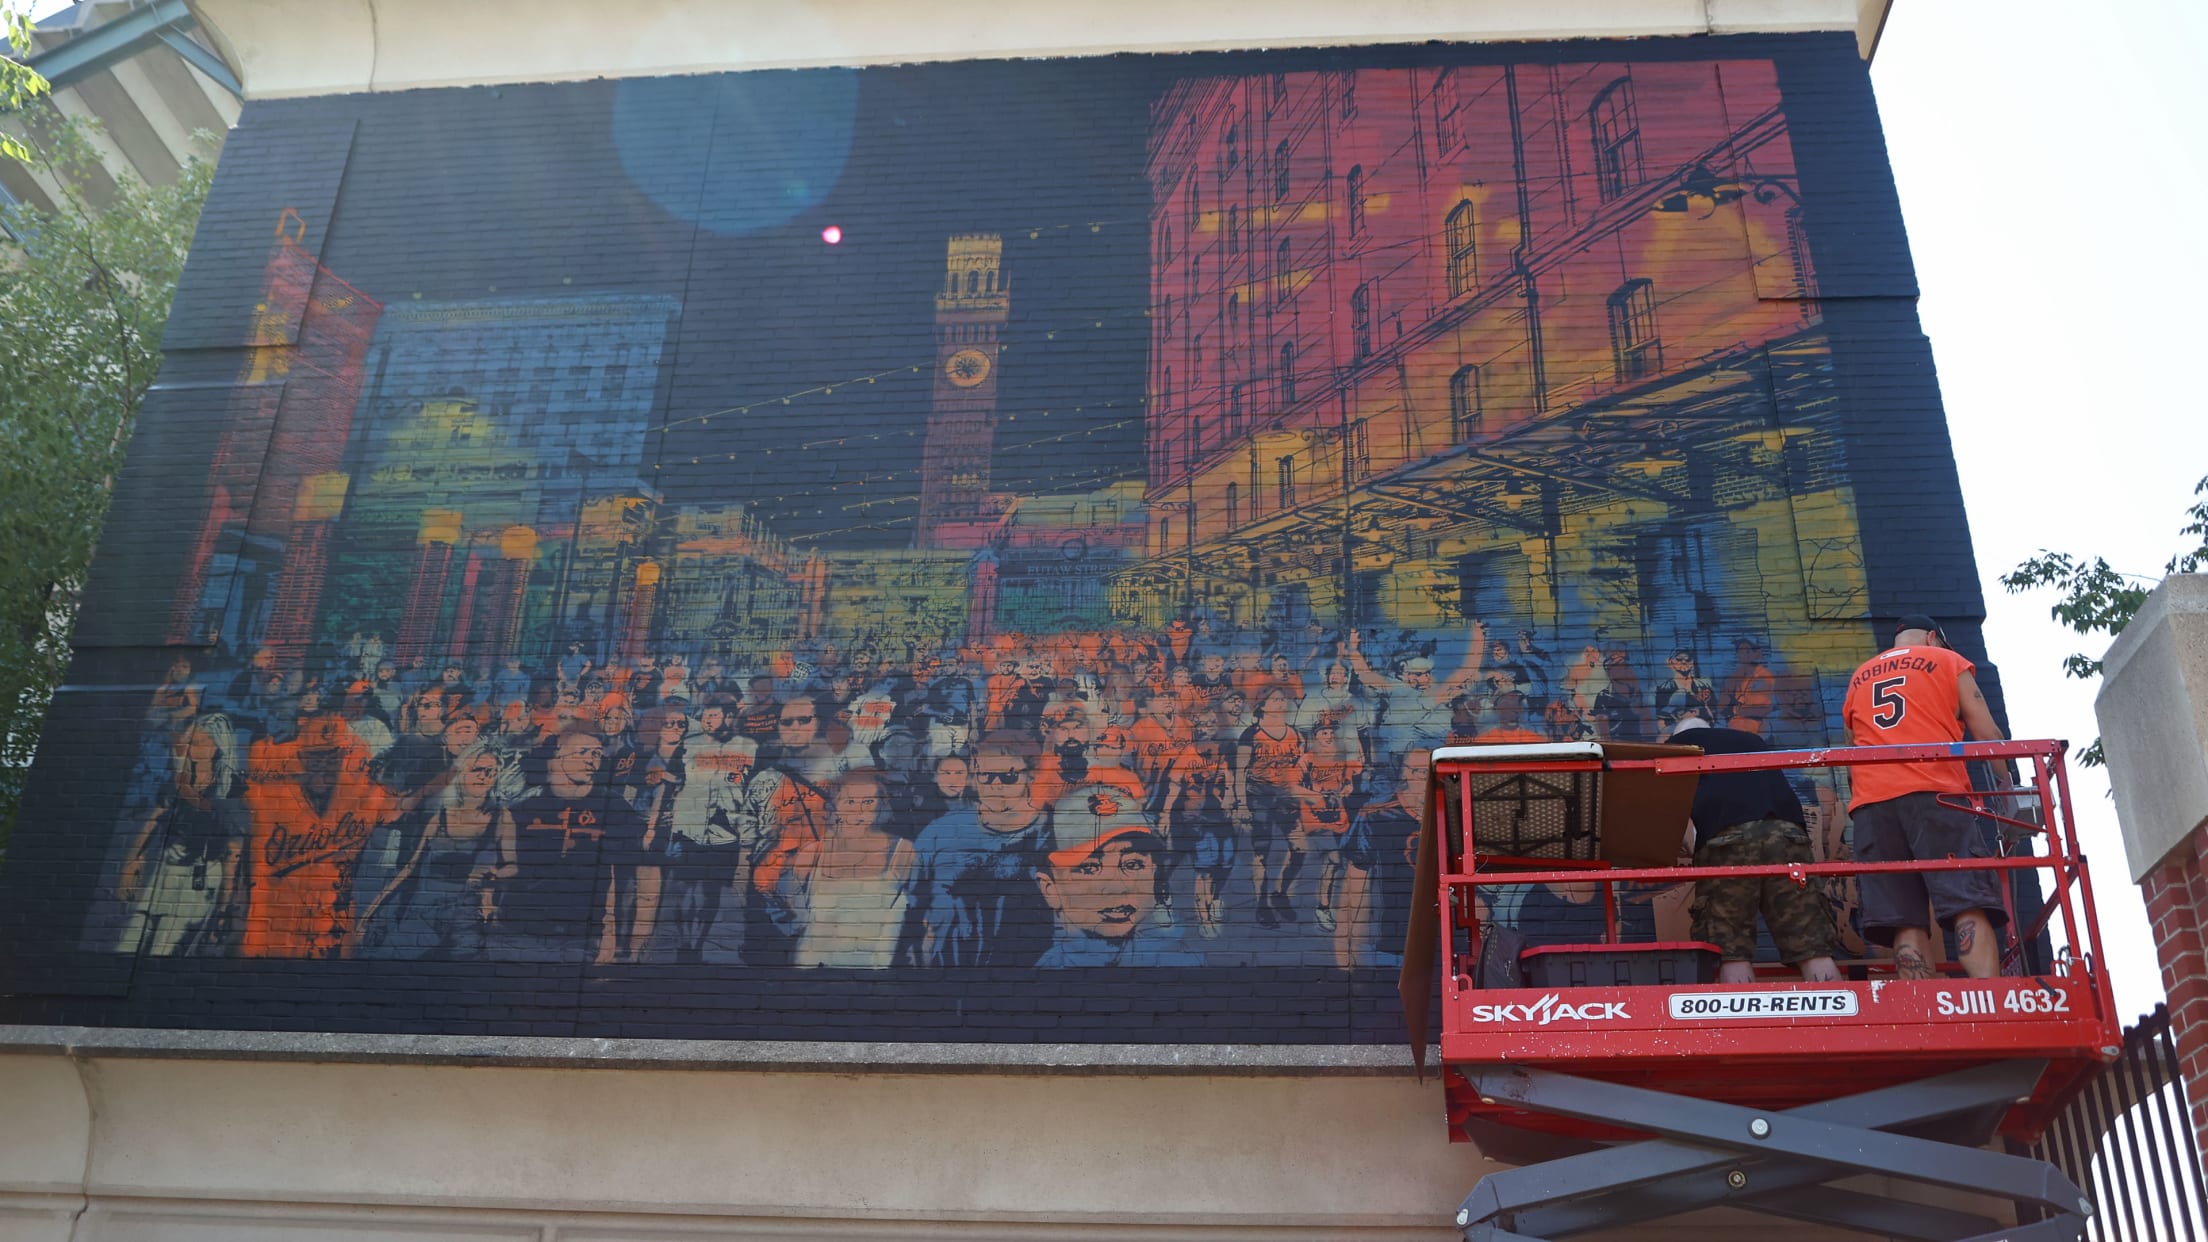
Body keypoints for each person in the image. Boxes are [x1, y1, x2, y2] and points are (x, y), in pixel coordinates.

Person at [1841, 614, 2008, 980]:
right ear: (1933, 638)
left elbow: (1850, 748)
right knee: (1967, 900)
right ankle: (1990, 997)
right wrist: (2006, 789)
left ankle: (1925, 1006)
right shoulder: (1947, 660)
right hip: (1936, 793)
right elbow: (1986, 729)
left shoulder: (1860, 676)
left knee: (1903, 916)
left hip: (1873, 804)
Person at [1666, 710, 1842, 983]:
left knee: (1731, 949)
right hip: (1788, 835)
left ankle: (1739, 1018)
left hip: (1728, 840)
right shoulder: (1751, 740)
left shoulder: (1679, 747)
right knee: (1812, 944)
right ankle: (1838, 1018)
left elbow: (1664, 811)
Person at [1033, 786, 1200, 967]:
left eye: (1132, 864)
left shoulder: (1182, 965)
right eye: (1089, 868)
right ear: (1050, 889)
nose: (1117, 887)